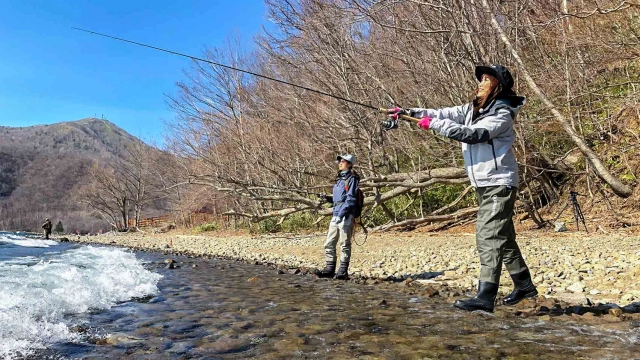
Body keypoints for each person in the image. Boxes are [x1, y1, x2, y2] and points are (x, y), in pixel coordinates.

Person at [387, 65, 537, 312]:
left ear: (498, 86)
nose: (480, 82)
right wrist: (407, 112)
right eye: (481, 78)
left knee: (488, 236)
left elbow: (474, 134)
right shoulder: (473, 109)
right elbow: (442, 113)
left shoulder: (502, 113)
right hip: (485, 184)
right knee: (504, 237)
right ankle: (524, 285)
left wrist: (434, 125)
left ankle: (485, 296)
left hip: (499, 183)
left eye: (487, 80)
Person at [315, 154, 360, 280]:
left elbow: (351, 199)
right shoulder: (339, 180)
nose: (340, 162)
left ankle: (342, 271)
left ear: (349, 164)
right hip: (336, 214)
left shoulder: (353, 179)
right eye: (339, 161)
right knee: (329, 243)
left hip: (346, 215)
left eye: (343, 161)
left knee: (344, 244)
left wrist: (342, 214)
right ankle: (329, 269)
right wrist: (327, 198)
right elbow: (338, 200)